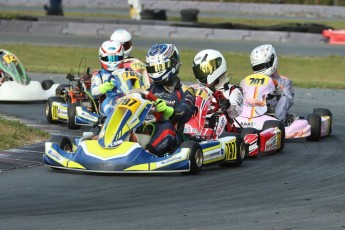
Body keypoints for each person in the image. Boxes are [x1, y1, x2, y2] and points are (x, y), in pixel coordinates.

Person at [145, 43, 196, 157]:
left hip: (173, 137)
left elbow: (185, 112)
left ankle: (147, 155)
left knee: (166, 128)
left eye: (159, 67)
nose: (156, 71)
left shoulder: (186, 90)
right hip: (147, 129)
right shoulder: (147, 89)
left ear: (173, 64)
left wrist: (169, 111)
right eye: (153, 68)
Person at [192, 49, 244, 125]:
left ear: (218, 66)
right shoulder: (195, 90)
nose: (202, 74)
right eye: (200, 71)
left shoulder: (233, 90)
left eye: (206, 69)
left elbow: (235, 113)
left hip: (221, 131)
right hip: (195, 127)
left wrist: (227, 104)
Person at [249, 44, 294, 124]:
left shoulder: (285, 81)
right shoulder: (252, 80)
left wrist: (277, 90)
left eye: (263, 66)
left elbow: (289, 101)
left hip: (273, 114)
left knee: (285, 99)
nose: (261, 69)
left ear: (272, 61)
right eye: (258, 67)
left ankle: (276, 123)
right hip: (254, 111)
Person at [90, 40, 125, 116]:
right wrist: (105, 86)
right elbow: (93, 92)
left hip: (128, 99)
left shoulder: (127, 72)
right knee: (108, 106)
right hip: (111, 100)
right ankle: (109, 119)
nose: (112, 62)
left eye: (116, 58)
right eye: (109, 58)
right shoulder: (98, 75)